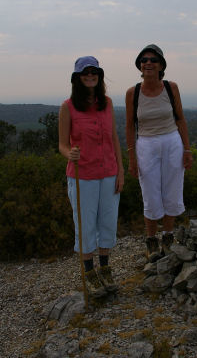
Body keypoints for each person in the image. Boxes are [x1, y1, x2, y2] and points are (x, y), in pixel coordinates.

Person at [59, 56, 124, 297]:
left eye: (94, 71)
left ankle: (105, 269)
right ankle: (89, 273)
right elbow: (62, 144)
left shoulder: (106, 103)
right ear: (77, 77)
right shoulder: (68, 106)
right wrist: (70, 154)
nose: (90, 75)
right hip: (82, 175)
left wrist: (121, 171)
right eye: (85, 72)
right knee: (85, 225)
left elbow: (114, 139)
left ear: (99, 75)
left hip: (108, 173)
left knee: (107, 221)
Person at [125, 44, 193, 262]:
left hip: (172, 141)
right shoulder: (133, 93)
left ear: (161, 65)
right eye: (144, 60)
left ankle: (168, 237)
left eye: (153, 60)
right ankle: (151, 240)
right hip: (145, 143)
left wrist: (187, 149)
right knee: (150, 192)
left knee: (172, 188)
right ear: (139, 65)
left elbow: (180, 118)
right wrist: (132, 158)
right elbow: (129, 126)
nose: (148, 63)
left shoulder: (171, 88)